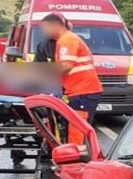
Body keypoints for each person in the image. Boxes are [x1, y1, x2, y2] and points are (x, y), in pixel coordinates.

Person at [38, 13, 101, 143]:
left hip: (83, 91)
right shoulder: (65, 40)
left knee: (78, 131)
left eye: (45, 28)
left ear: (55, 25)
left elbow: (66, 66)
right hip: (80, 91)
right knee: (76, 129)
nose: (44, 32)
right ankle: (77, 152)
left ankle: (78, 154)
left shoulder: (67, 40)